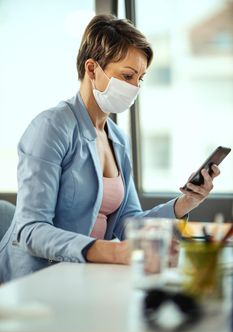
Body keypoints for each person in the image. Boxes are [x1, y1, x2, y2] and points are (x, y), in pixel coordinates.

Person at [0, 14, 220, 282]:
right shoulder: (51, 127)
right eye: (127, 75)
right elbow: (30, 230)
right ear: (92, 69)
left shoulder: (117, 138)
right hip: (35, 281)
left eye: (140, 78)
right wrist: (114, 252)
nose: (135, 87)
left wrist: (185, 203)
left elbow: (129, 224)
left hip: (83, 276)